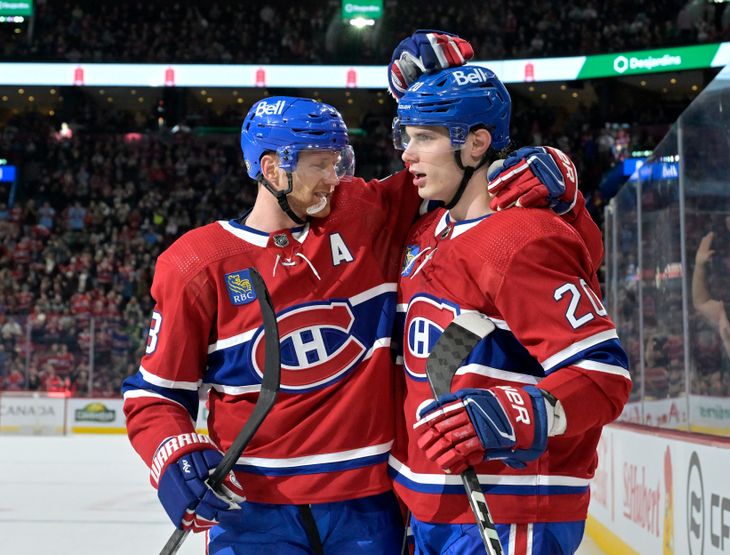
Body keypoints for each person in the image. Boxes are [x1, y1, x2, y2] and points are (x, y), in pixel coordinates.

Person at [121, 30, 579, 554]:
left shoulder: (364, 216)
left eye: (339, 162)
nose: (334, 178)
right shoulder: (196, 263)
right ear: (272, 168)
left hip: (368, 506)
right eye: (320, 163)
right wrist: (170, 453)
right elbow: (155, 393)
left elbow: (462, 160)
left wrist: (558, 185)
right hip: (251, 509)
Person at [388, 64, 632, 554]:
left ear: (477, 144)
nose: (407, 155)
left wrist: (515, 412)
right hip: (430, 504)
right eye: (407, 137)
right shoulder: (426, 234)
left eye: (426, 138)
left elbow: (604, 375)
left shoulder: (522, 238)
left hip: (509, 506)